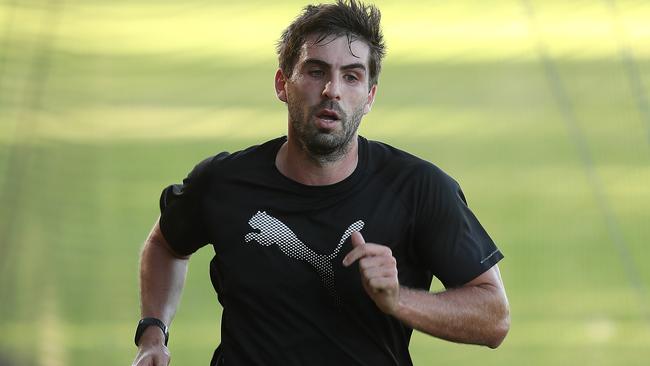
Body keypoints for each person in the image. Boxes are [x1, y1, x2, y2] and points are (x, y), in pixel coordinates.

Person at [131, 1, 510, 365]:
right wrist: (153, 334)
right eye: (316, 71)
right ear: (283, 84)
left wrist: (398, 301)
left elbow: (494, 317)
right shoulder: (224, 182)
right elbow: (166, 244)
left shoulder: (418, 189)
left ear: (369, 97)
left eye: (351, 75)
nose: (332, 90)